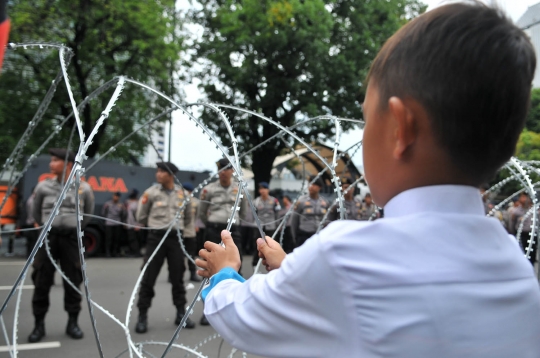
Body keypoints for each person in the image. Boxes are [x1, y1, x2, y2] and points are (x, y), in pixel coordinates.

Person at [194, 3, 540, 356]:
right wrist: (292, 270)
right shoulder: (514, 266)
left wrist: (224, 272)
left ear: (400, 128)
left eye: (367, 117)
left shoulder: (346, 255)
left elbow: (243, 315)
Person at [28, 148, 94, 343]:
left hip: (71, 240)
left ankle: (72, 322)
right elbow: (37, 212)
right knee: (41, 281)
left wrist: (72, 227)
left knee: (73, 280)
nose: (51, 164)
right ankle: (38, 325)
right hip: (48, 238)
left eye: (55, 160)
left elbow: (87, 215)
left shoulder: (84, 188)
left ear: (67, 164)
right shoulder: (43, 187)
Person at [134, 162, 195, 333]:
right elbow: (141, 216)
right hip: (156, 238)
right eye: (158, 171)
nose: (158, 174)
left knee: (178, 277)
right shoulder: (151, 193)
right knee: (148, 278)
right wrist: (156, 226)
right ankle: (142, 316)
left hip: (176, 239)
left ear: (171, 175)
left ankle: (181, 314)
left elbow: (189, 217)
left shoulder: (183, 194)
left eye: (162, 171)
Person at [197, 157, 247, 325]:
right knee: (211, 270)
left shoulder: (239, 188)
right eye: (220, 169)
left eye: (226, 169)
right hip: (214, 229)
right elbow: (202, 213)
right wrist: (213, 224)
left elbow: (244, 212)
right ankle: (208, 310)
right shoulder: (208, 190)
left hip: (233, 232)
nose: (223, 172)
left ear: (232, 171)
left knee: (235, 268)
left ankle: (236, 308)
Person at [290, 176, 329, 247]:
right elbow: (294, 220)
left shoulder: (324, 202)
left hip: (319, 235)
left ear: (320, 187)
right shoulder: (301, 201)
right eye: (310, 184)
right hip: (304, 235)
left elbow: (326, 220)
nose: (311, 186)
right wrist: (294, 236)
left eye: (314, 184)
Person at [251, 182, 280, 266]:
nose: (262, 191)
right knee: (257, 246)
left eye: (264, 188)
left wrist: (277, 225)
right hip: (259, 226)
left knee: (271, 245)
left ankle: (271, 264)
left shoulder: (274, 201)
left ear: (268, 190)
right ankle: (255, 264)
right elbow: (253, 214)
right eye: (261, 189)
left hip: (271, 226)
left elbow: (277, 214)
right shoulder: (256, 201)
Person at [181, 182, 201, 282]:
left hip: (190, 231)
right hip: (179, 230)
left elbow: (197, 215)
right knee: (176, 254)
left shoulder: (195, 202)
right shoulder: (178, 200)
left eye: (188, 191)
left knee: (191, 254)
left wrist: (196, 225)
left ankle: (193, 273)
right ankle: (176, 274)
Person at [102, 191, 126, 257]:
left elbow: (123, 215)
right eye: (115, 196)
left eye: (117, 196)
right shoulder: (107, 204)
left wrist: (123, 209)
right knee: (108, 239)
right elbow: (103, 213)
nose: (116, 198)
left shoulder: (121, 205)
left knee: (116, 239)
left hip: (117, 223)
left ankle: (115, 252)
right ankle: (107, 252)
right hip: (109, 223)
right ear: (113, 196)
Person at [125, 189, 142, 257]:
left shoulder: (138, 203)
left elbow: (138, 215)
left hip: (135, 225)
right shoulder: (128, 202)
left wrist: (138, 224)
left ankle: (136, 253)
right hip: (129, 224)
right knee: (130, 239)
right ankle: (132, 252)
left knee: (135, 239)